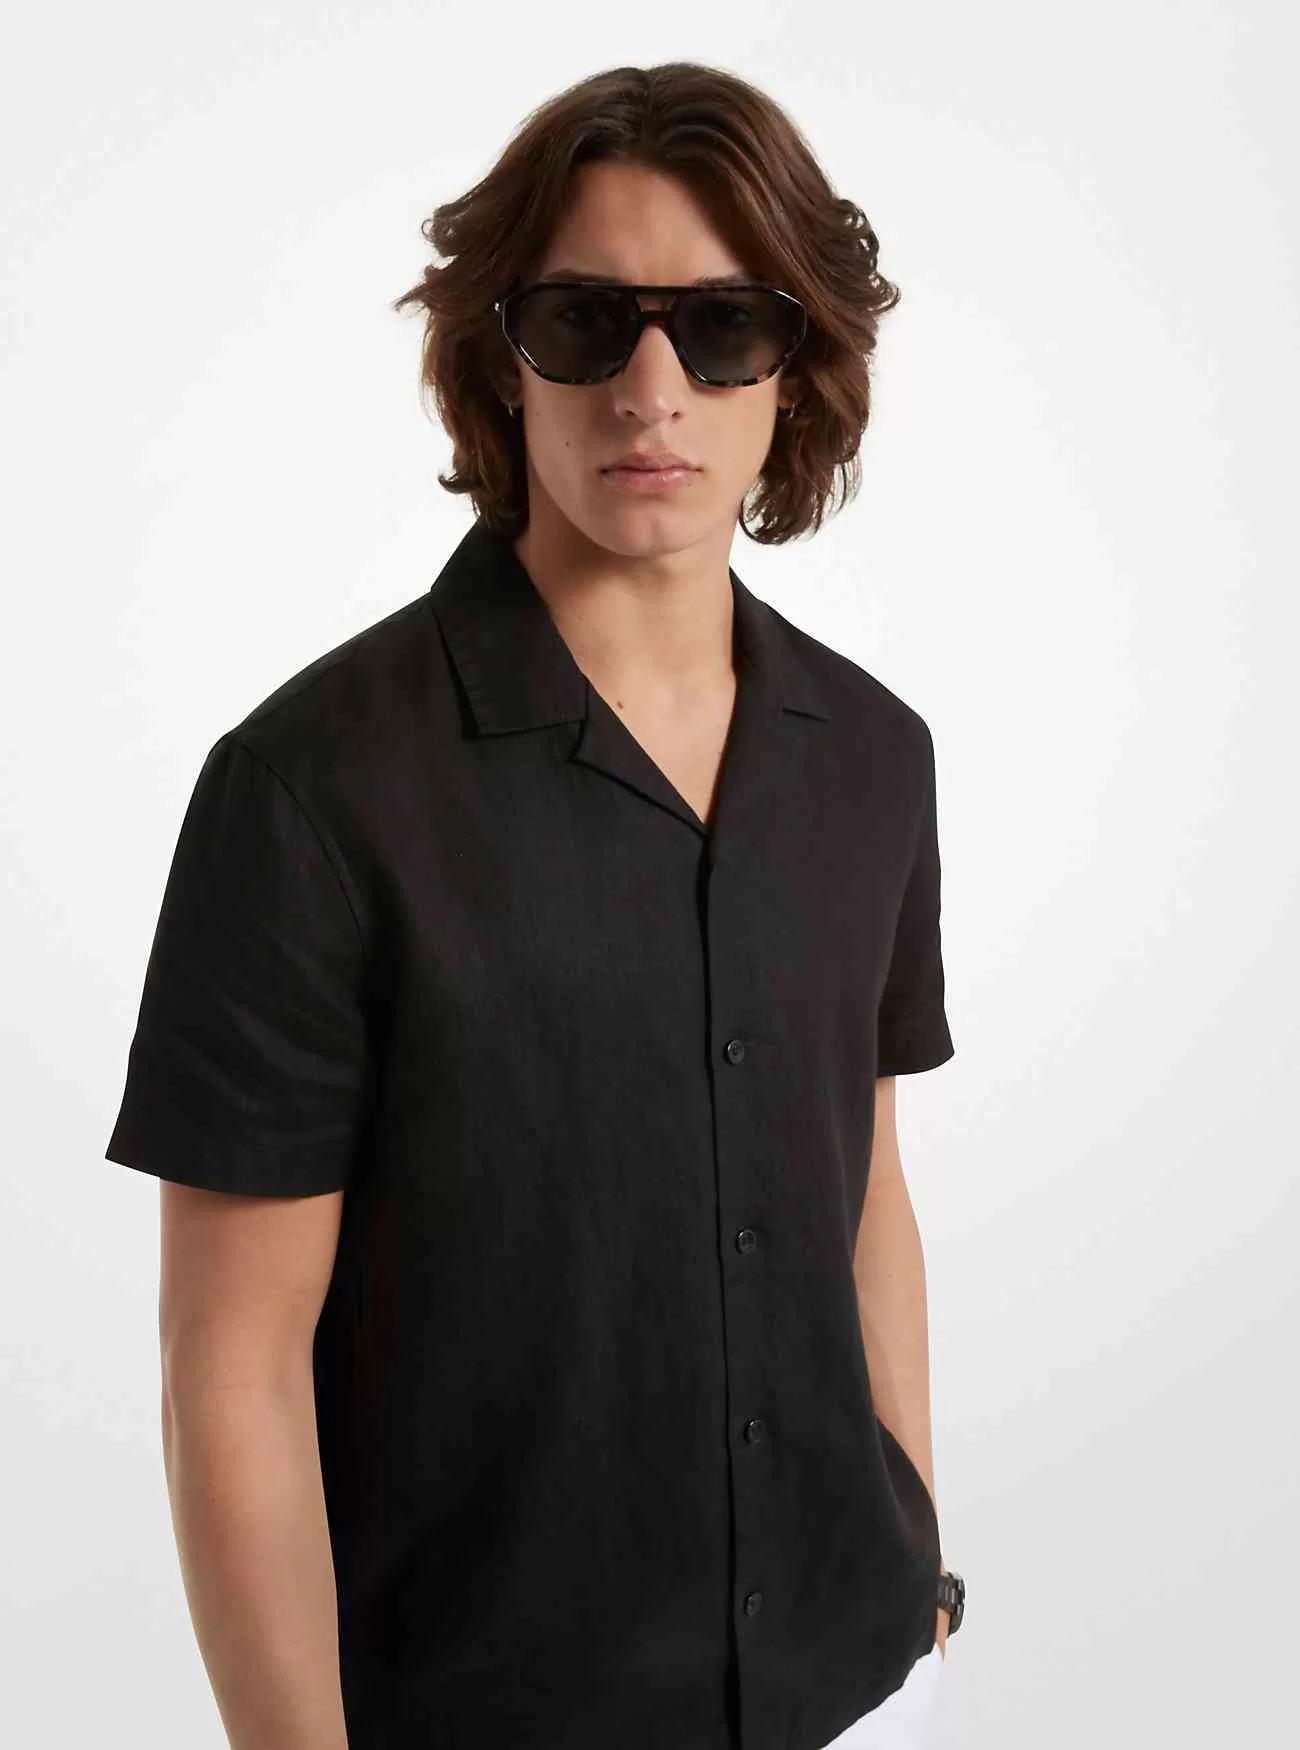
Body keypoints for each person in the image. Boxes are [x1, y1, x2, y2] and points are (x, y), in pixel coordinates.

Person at [105, 60, 963, 1750]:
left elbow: (862, 1181)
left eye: (721, 326)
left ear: (796, 367)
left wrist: (912, 1548)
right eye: (586, 321)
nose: (653, 387)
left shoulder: (875, 756)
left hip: (841, 1686)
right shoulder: (311, 790)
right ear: (503, 358)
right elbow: (230, 1367)